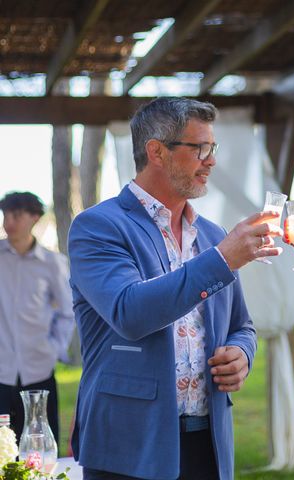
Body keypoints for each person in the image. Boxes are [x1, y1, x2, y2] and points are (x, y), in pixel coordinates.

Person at [68, 97, 282, 480]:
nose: (211, 160)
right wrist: (222, 260)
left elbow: (242, 325)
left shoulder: (214, 236)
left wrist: (242, 354)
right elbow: (129, 312)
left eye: (211, 148)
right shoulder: (98, 226)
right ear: (157, 152)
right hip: (129, 444)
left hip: (208, 442)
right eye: (199, 148)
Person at [0, 191, 74, 445]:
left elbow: (67, 312)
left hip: (39, 371)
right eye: (5, 215)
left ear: (34, 218)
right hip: (0, 371)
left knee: (39, 446)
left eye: (16, 215)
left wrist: (53, 349)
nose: (8, 222)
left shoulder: (53, 263)